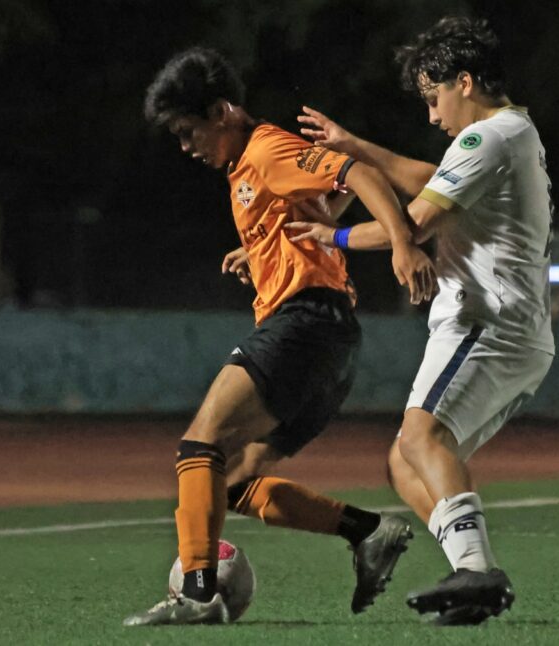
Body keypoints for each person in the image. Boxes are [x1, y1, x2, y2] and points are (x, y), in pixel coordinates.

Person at [123, 47, 436, 626]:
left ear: (222, 111)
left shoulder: (265, 149)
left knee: (200, 446)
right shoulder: (250, 168)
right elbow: (323, 200)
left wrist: (401, 241)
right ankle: (367, 532)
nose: (186, 146)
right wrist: (265, 245)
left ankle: (196, 595)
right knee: (236, 482)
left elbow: (356, 171)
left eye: (189, 131)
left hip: (303, 324)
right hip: (331, 341)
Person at [287, 16, 555, 625]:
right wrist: (355, 146)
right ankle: (472, 574)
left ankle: (478, 570)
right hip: (517, 328)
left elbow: (413, 223)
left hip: (487, 318)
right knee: (405, 462)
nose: (433, 116)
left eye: (435, 98)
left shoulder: (486, 139)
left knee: (419, 439)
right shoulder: (513, 133)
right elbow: (431, 180)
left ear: (465, 81)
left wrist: (335, 236)